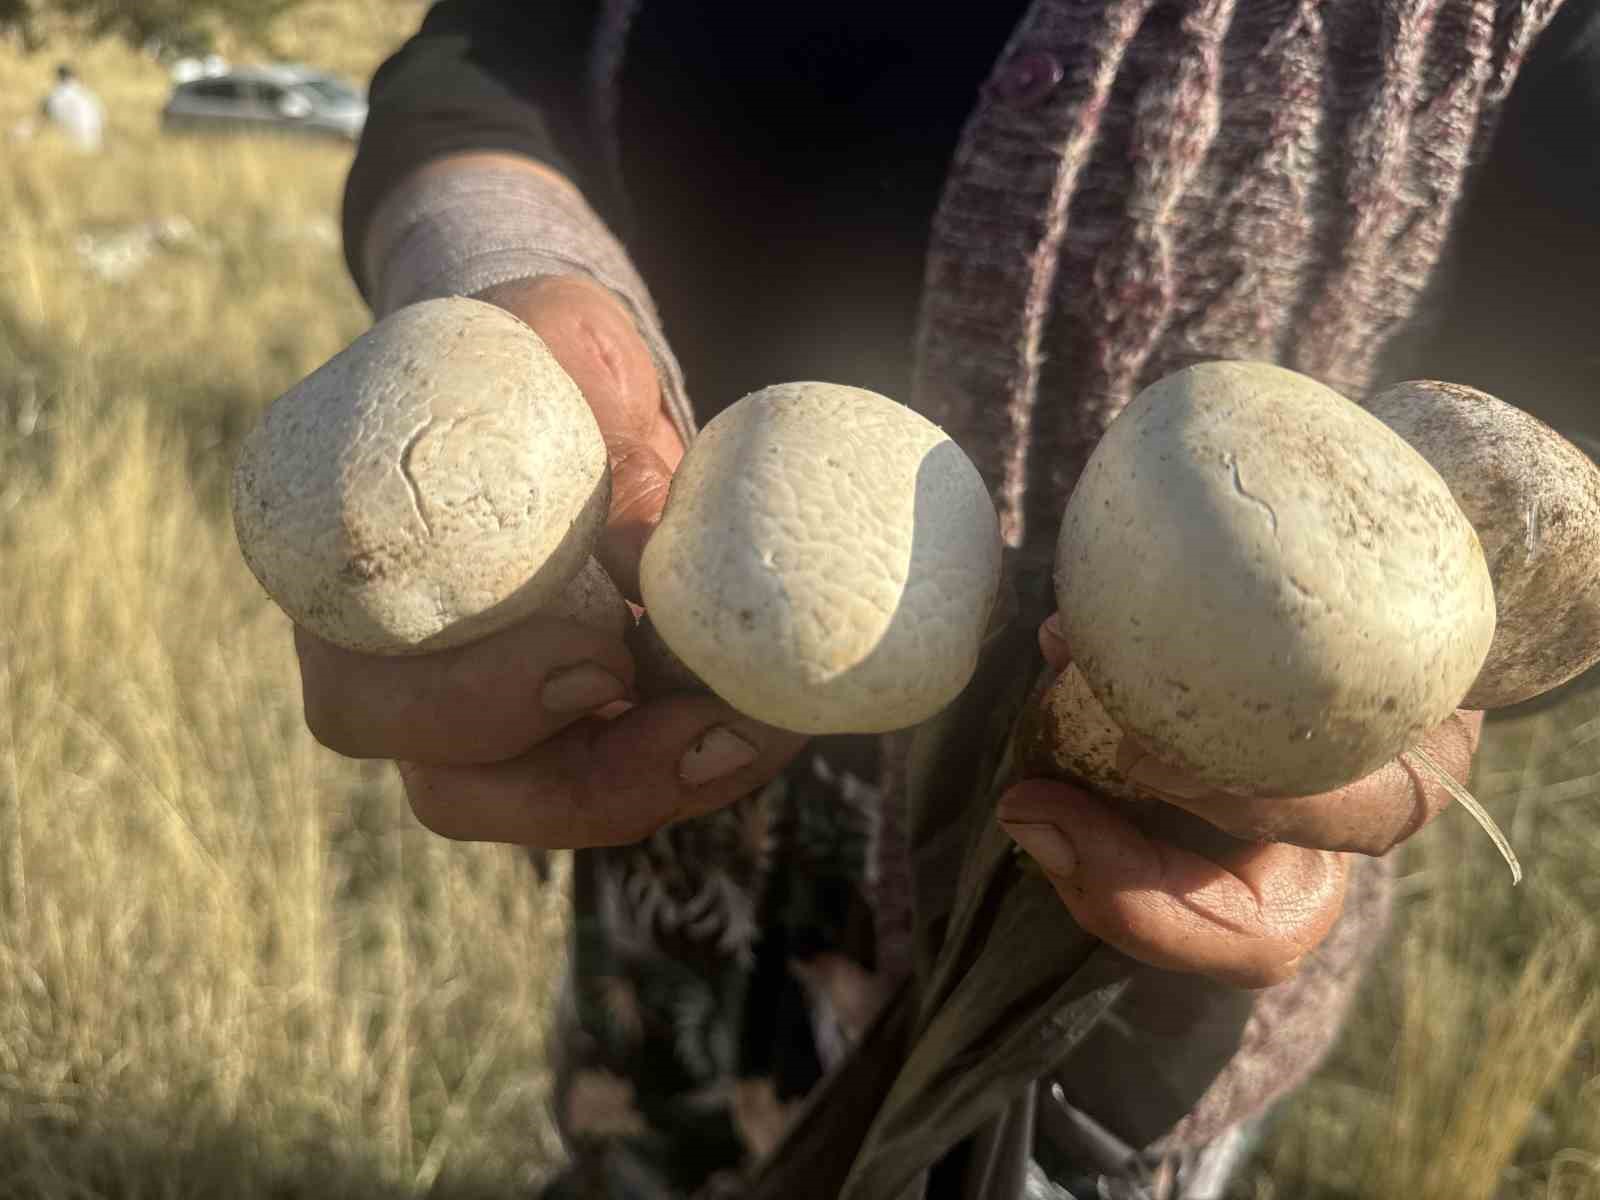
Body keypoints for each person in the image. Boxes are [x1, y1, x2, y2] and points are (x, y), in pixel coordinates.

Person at [300, 2, 1600, 1197]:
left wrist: (1451, 655)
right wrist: (496, 289)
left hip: (1124, 953)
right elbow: (490, 51)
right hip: (685, 819)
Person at [41, 63, 104, 153]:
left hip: (76, 145)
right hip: (96, 142)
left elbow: (45, 116)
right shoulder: (88, 94)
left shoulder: (58, 94)